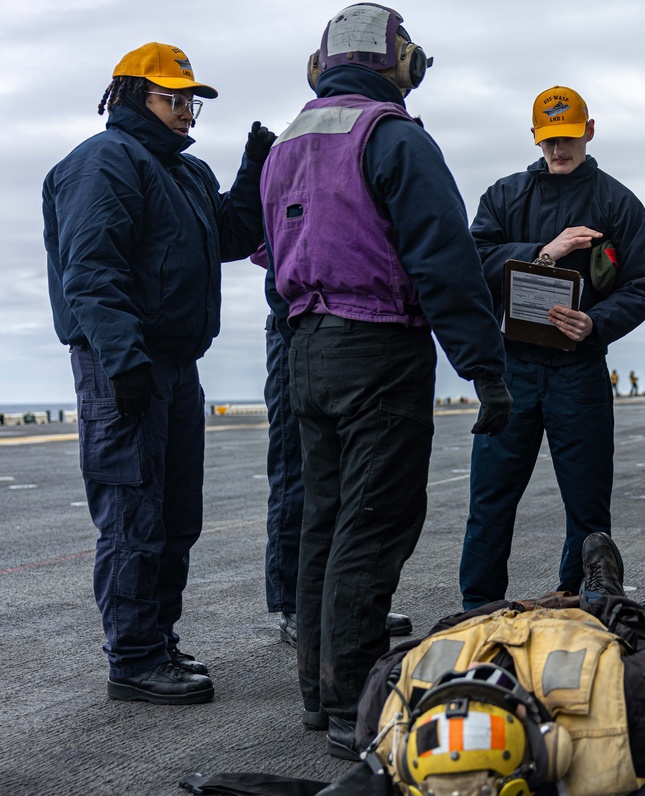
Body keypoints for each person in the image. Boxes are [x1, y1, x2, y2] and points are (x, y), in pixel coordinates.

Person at [258, 4, 512, 759]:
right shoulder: (393, 136)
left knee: (323, 522)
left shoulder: (286, 145)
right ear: (402, 60)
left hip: (304, 346)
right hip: (378, 349)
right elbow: (444, 261)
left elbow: (272, 258)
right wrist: (486, 369)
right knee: (374, 520)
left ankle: (319, 692)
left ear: (323, 62)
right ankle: (350, 707)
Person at [43, 42, 271, 704]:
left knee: (175, 516)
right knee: (132, 512)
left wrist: (253, 172)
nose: (186, 113)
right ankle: (134, 659)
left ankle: (156, 640)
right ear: (130, 97)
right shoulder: (103, 163)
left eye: (191, 101)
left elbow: (227, 238)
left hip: (174, 364)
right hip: (126, 366)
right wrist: (124, 360)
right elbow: (90, 270)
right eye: (174, 99)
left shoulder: (187, 174)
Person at [460, 85, 645, 610]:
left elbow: (644, 285)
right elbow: (470, 262)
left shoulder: (618, 202)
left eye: (568, 138)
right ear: (534, 138)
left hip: (580, 371)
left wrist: (595, 323)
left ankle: (584, 600)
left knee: (588, 505)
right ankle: (478, 606)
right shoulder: (504, 196)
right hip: (513, 370)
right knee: (490, 499)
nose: (558, 151)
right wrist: (543, 253)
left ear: (589, 130)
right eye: (549, 141)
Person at [353, 533, 645, 794]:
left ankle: (602, 587)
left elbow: (442, 630)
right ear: (547, 754)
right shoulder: (623, 726)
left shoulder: (384, 719)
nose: (483, 680)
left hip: (505, 624)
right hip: (592, 630)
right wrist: (594, 608)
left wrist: (515, 608)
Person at [250, 259, 413, 647]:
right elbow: (268, 246)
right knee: (298, 476)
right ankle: (298, 609)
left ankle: (343, 603)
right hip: (298, 328)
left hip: (350, 330)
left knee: (351, 480)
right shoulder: (285, 195)